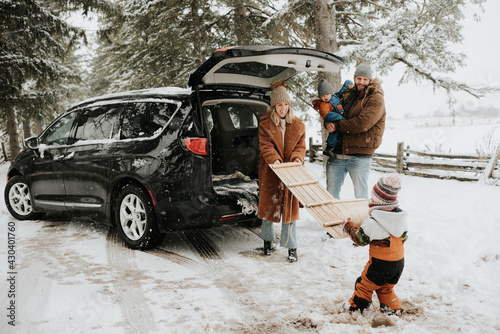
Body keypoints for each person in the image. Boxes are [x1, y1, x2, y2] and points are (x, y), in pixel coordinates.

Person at [342, 173, 408, 316]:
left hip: (379, 265)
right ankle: (393, 310)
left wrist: (348, 227)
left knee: (364, 285)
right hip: (398, 265)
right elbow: (403, 238)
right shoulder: (401, 220)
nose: (370, 200)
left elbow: (360, 239)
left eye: (372, 198)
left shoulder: (372, 222)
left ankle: (356, 307)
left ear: (378, 202)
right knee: (385, 288)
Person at [258, 80, 306, 262]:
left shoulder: (299, 125)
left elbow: (301, 147)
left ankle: (291, 247)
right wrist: (275, 160)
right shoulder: (265, 124)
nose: (283, 108)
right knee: (268, 208)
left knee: (290, 211)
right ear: (274, 106)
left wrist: (296, 159)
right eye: (279, 105)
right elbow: (266, 145)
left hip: (291, 173)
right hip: (271, 171)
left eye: (286, 104)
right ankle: (267, 241)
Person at [325, 63, 386, 200]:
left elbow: (362, 124)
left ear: (370, 80)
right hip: (338, 153)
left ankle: (362, 221)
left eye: (365, 79)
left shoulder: (376, 97)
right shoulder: (348, 94)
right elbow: (333, 111)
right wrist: (328, 122)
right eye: (359, 78)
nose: (361, 82)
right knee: (330, 194)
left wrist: (337, 125)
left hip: (360, 155)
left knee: (360, 196)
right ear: (354, 78)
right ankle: (334, 221)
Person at [312, 78, 353, 158]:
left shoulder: (334, 96)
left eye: (327, 94)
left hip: (339, 117)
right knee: (334, 132)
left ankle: (330, 148)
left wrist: (348, 83)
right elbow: (326, 114)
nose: (325, 97)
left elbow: (341, 92)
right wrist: (341, 118)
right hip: (334, 118)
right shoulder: (323, 104)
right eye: (322, 96)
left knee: (336, 132)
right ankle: (329, 148)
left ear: (331, 92)